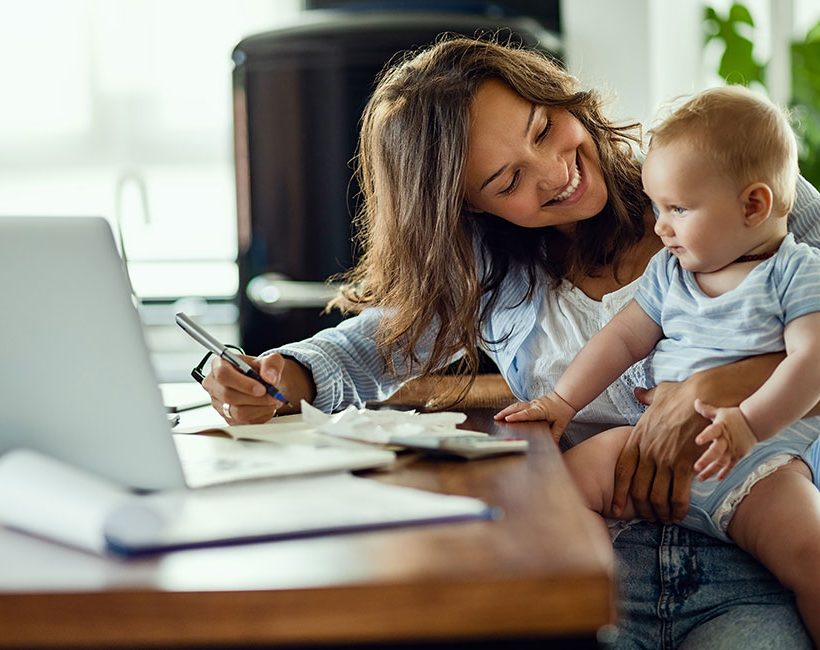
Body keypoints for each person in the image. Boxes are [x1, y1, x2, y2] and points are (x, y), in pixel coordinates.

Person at [201, 37, 820, 647]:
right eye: (507, 181)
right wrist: (280, 378)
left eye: (545, 128)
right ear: (467, 210)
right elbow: (371, 346)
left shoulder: (722, 179)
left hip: (756, 552)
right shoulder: (492, 271)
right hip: (599, 560)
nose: (556, 172)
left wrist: (711, 387)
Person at [495, 85, 820, 641]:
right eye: (656, 208)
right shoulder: (671, 274)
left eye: (678, 209)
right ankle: (598, 606)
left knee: (813, 553)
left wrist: (747, 424)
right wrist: (561, 401)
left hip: (755, 467)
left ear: (753, 206)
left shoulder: (797, 273)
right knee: (554, 490)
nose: (661, 227)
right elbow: (620, 341)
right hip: (646, 446)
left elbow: (811, 363)